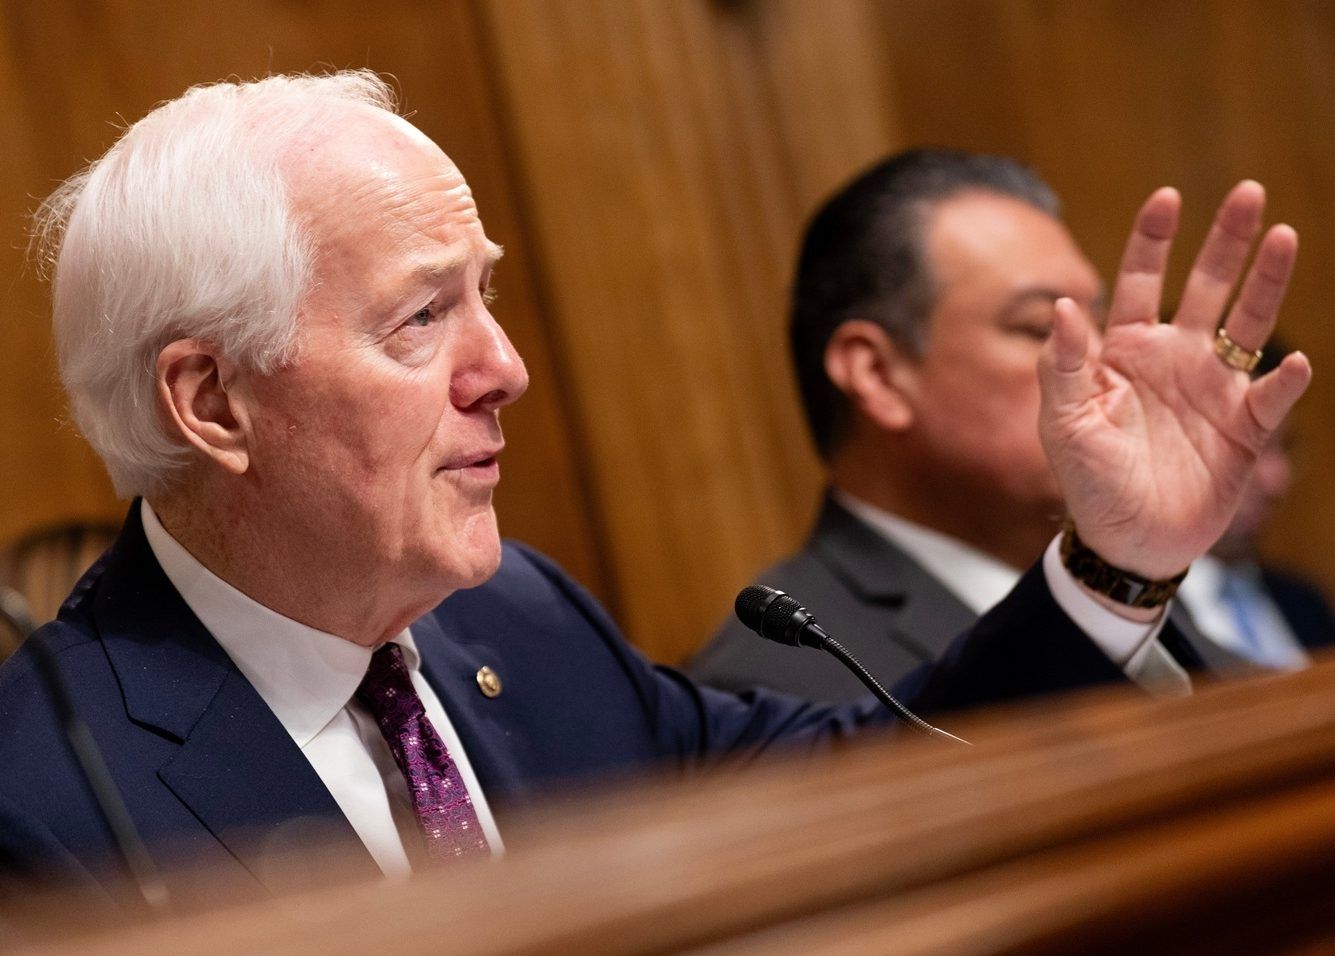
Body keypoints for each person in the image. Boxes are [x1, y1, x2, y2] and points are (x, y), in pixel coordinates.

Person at [0, 72, 1309, 910]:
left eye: (486, 296)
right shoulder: (42, 801)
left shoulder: (519, 621)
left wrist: (1112, 560)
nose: (502, 367)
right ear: (212, 403)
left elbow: (883, 778)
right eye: (419, 318)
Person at [692, 149, 1250, 700]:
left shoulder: (1139, 603)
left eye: (1098, 325)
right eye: (1040, 327)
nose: (1106, 369)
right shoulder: (782, 683)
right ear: (878, 375)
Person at [1174, 342, 1335, 667]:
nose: (1277, 482)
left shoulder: (1304, 601)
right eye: (1250, 447)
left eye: (1285, 447)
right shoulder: (1130, 621)